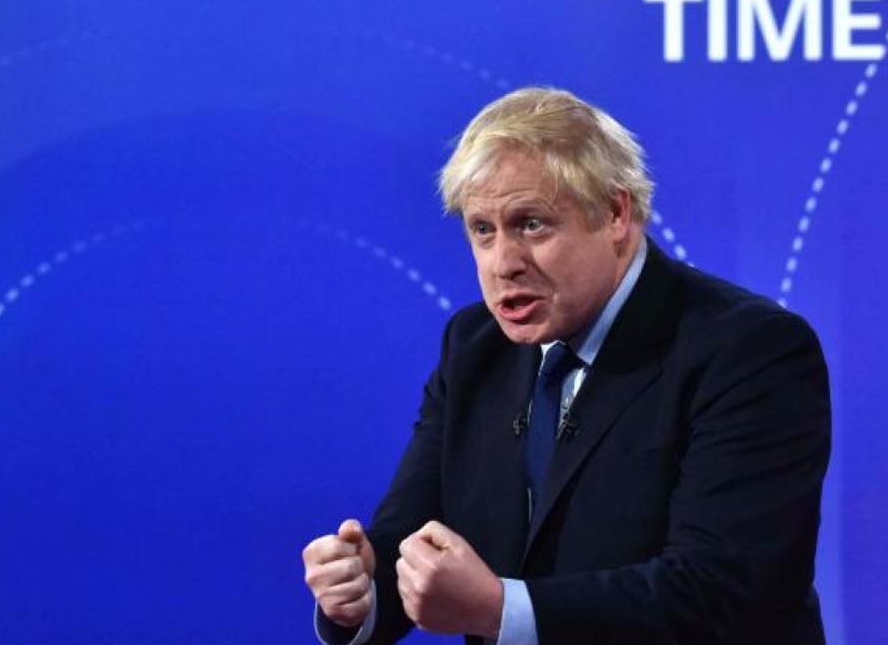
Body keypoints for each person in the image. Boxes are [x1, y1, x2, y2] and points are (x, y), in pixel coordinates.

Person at [302, 87, 831, 645]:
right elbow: (410, 545)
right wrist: (361, 591)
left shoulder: (749, 349)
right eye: (482, 230)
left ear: (615, 214)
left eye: (531, 224)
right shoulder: (475, 347)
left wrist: (500, 611)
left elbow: (722, 591)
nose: (503, 264)